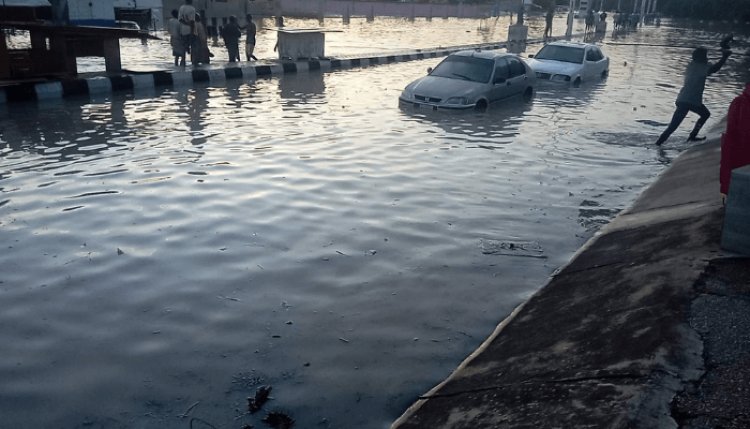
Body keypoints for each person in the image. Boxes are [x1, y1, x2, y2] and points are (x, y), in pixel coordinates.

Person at [655, 46, 731, 145]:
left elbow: (710, 67)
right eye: (705, 56)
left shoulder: (691, 65)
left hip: (683, 99)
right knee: (704, 115)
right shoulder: (701, 67)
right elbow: (714, 69)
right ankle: (691, 136)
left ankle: (659, 143)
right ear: (701, 58)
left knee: (673, 126)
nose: (707, 58)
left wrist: (722, 55)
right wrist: (724, 57)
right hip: (691, 101)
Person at [720, 83, 750, 195]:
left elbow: (732, 128)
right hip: (740, 148)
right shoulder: (740, 103)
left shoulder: (739, 102)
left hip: (737, 149)